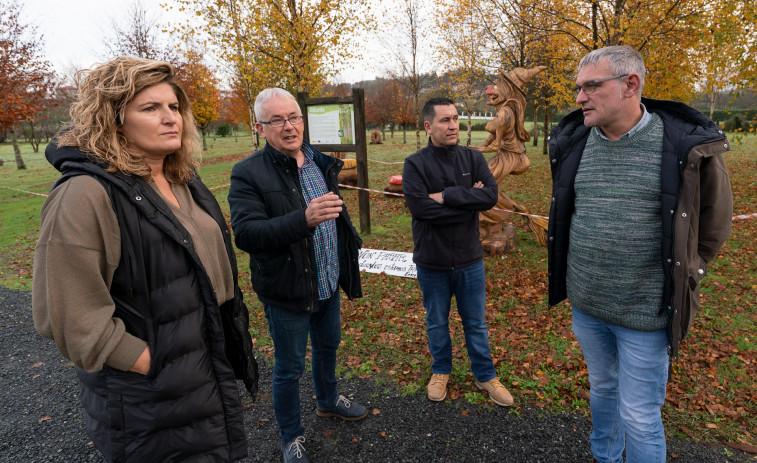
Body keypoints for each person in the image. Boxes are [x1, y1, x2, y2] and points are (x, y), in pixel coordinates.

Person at [32, 57, 258, 462]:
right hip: (149, 398)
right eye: (150, 108)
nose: (170, 118)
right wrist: (148, 362)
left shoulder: (182, 180)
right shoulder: (85, 193)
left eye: (174, 107)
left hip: (204, 372)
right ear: (114, 119)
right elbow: (69, 317)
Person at [547, 46, 733, 463]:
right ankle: (605, 456)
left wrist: (687, 274)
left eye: (592, 86)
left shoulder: (686, 146)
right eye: (579, 88)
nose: (580, 98)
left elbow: (715, 225)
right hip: (588, 306)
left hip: (646, 315)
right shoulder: (573, 141)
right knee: (602, 389)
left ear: (631, 84)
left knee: (639, 413)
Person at [228, 88, 366, 463]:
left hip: (327, 281)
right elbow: (247, 234)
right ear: (260, 127)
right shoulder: (248, 172)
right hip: (288, 290)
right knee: (289, 368)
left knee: (327, 348)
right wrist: (302, 219)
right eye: (277, 120)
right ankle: (291, 437)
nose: (289, 127)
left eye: (294, 117)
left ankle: (327, 401)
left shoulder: (320, 161)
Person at [403, 97, 514, 407]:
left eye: (455, 118)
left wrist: (446, 196)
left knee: (475, 322)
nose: (452, 125)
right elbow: (420, 209)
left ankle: (485, 375)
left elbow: (490, 197)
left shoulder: (473, 158)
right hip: (432, 261)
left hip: (469, 260)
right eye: (444, 120)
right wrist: (468, 202)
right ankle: (440, 371)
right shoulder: (415, 164)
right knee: (437, 321)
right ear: (428, 126)